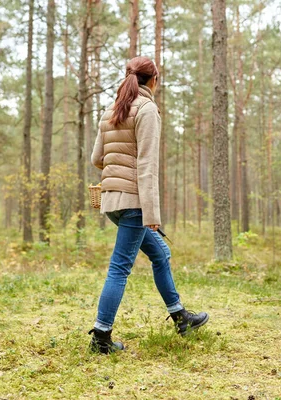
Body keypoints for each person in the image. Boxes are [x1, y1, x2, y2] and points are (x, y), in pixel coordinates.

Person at [88, 56, 209, 354]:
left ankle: (181, 317)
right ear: (153, 79)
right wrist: (151, 214)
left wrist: (118, 165)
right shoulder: (147, 109)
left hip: (113, 201)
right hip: (134, 203)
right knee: (120, 268)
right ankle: (101, 337)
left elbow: (96, 159)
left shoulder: (111, 110)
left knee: (161, 253)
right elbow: (147, 166)